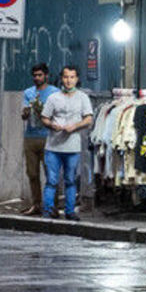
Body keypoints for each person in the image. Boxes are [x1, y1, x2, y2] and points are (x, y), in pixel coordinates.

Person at [40, 65, 93, 221]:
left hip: (72, 146)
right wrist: (51, 125)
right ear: (61, 78)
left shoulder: (83, 97)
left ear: (76, 79)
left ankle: (70, 211)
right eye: (65, 77)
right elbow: (44, 118)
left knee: (70, 180)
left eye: (72, 77)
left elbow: (89, 119)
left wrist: (75, 126)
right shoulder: (53, 98)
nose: (68, 80)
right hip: (53, 147)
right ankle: (48, 210)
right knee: (52, 181)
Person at [21, 63, 60, 216]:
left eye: (40, 75)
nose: (37, 78)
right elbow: (24, 115)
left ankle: (52, 206)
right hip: (30, 137)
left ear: (46, 76)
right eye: (35, 75)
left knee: (50, 173)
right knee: (32, 173)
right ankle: (36, 204)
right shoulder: (28, 93)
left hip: (48, 138)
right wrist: (25, 112)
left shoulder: (54, 93)